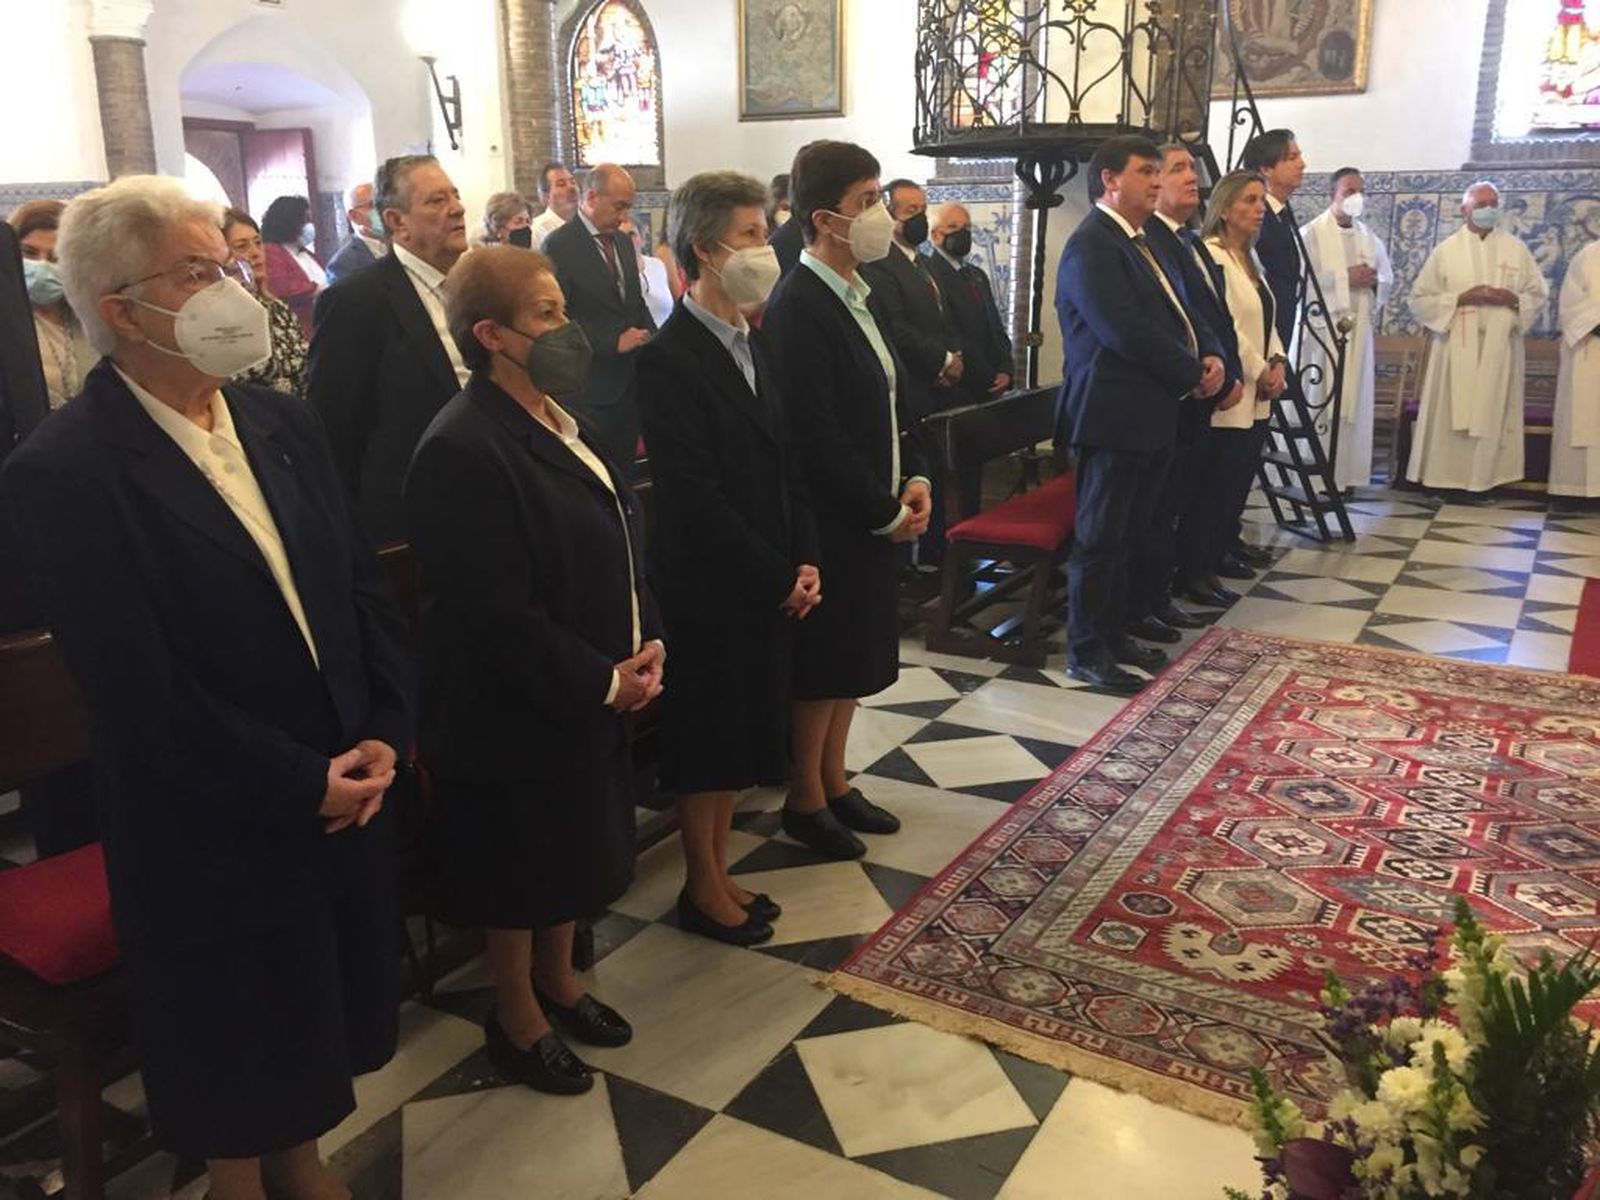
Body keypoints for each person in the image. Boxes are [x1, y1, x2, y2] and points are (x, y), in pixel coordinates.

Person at [0, 175, 412, 1200]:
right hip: (205, 807)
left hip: (335, 772)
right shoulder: (67, 468)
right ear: (120, 309)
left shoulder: (279, 421)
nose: (231, 288)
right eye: (198, 272)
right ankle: (237, 1179)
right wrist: (297, 780)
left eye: (228, 264)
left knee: (312, 1000)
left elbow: (357, 592)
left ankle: (304, 1163)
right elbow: (139, 690)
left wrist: (382, 731)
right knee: (232, 1021)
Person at [405, 244, 658, 1095]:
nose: (567, 329)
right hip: (509, 705)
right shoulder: (463, 446)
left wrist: (643, 639)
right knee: (518, 866)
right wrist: (604, 677)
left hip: (583, 682)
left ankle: (562, 981)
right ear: (491, 335)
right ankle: (515, 1016)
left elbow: (617, 539)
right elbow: (494, 614)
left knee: (572, 852)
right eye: (545, 315)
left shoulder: (556, 416)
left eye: (562, 308)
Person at [637, 171, 819, 945]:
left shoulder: (754, 338)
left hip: (765, 578)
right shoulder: (667, 360)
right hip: (712, 586)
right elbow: (693, 497)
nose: (765, 246)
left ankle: (718, 868)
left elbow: (787, 462)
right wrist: (774, 573)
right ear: (705, 250)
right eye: (751, 233)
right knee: (707, 744)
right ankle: (701, 885)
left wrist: (805, 559)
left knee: (741, 736)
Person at [762, 139, 929, 860]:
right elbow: (816, 436)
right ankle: (805, 796)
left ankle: (834, 780)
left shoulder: (861, 293)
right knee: (824, 663)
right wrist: (882, 510)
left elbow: (889, 401)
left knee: (855, 659)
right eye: (868, 202)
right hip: (834, 518)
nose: (881, 216)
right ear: (827, 218)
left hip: (872, 510)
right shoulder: (799, 305)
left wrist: (914, 479)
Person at [1054, 135, 1223, 696]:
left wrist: (1202, 356)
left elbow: (1172, 315)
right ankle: (1086, 651)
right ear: (1110, 180)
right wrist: (1189, 372)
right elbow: (1122, 329)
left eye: (1159, 171)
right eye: (1146, 171)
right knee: (1100, 539)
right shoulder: (1093, 245)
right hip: (1112, 414)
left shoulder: (1136, 240)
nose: (1157, 181)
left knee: (1129, 534)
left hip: (1148, 411)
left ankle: (1116, 634)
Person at [307, 154, 471, 544]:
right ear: (397, 222)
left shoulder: (479, 285)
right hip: (415, 512)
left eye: (456, 196)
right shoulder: (356, 301)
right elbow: (334, 426)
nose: (458, 208)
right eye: (437, 201)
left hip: (492, 493)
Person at [1141, 144, 1242, 632]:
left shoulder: (1188, 241)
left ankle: (1167, 590)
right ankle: (1154, 595)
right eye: (1177, 169)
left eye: (1192, 169)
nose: (1192, 177)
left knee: (1184, 498)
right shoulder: (1152, 240)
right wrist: (1198, 368)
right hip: (1173, 394)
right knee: (1161, 508)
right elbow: (1160, 322)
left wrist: (1224, 361)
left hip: (1198, 383)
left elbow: (1208, 314)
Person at [1406, 182, 1548, 496]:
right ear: (1465, 210)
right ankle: (1447, 479)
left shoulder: (1516, 249)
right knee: (1453, 408)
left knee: (1491, 408)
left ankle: (1486, 480)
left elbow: (1537, 294)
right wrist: (1459, 298)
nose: (1488, 210)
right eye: (1482, 204)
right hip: (1457, 345)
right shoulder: (1446, 251)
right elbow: (1420, 299)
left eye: (1494, 203)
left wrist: (1512, 299)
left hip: (1499, 348)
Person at [1201, 171, 1289, 604]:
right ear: (1226, 207)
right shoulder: (1213, 256)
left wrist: (1278, 362)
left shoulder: (1249, 259)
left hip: (1258, 387)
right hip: (1234, 388)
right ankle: (1204, 558)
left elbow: (1267, 317)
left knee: (1239, 477)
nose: (1259, 209)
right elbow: (1227, 327)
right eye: (1250, 200)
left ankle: (1224, 545)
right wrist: (1258, 368)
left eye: (1261, 200)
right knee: (1216, 482)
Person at [543, 163, 656, 473]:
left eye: (628, 207)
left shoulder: (620, 241)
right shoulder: (559, 245)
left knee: (627, 472)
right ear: (591, 197)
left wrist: (656, 340)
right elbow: (554, 319)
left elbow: (634, 302)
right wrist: (610, 342)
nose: (624, 216)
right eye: (619, 206)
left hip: (629, 384)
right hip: (591, 388)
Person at [1299, 167, 1393, 492]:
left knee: (1353, 403)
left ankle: (1346, 477)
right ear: (1331, 196)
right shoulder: (1311, 234)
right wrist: (1344, 278)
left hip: (1358, 336)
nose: (1355, 198)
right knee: (1323, 400)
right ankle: (1316, 475)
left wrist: (1374, 281)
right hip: (1322, 337)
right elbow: (1302, 282)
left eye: (1359, 192)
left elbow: (1387, 280)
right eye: (1347, 192)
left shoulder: (1369, 238)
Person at [926, 202, 1013, 524]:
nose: (962, 235)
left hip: (986, 384)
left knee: (976, 471)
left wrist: (1006, 366)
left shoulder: (975, 273)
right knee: (955, 477)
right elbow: (953, 334)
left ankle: (974, 525)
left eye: (967, 228)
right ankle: (953, 541)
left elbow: (994, 325)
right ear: (935, 235)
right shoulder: (933, 275)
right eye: (953, 229)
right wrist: (982, 374)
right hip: (961, 387)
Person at [8, 200, 95, 411]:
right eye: (29, 253)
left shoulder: (91, 319)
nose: (42, 265)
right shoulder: (7, 321)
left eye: (55, 257)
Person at [222, 208, 309, 397]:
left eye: (258, 243)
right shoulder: (220, 319)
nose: (255, 253)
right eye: (242, 246)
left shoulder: (278, 309)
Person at [1240, 129, 1304, 349]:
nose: (1302, 164)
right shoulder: (1256, 218)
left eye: (1300, 156)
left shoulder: (1280, 214)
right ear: (1266, 169)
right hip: (1261, 338)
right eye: (1292, 158)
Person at [1551, 238, 1600, 497]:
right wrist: (1594, 322)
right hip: (1589, 346)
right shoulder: (1589, 255)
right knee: (1582, 416)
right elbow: (1570, 301)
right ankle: (1574, 490)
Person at [260, 195, 325, 339]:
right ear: (290, 221)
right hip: (297, 332)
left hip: (320, 329)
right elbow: (281, 287)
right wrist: (317, 289)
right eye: (306, 220)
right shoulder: (271, 251)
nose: (311, 225)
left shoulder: (307, 253)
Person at [325, 181, 387, 285]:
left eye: (385, 202)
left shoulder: (407, 244)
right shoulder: (342, 265)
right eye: (374, 205)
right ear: (354, 216)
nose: (383, 209)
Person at [623, 215, 675, 328]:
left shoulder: (658, 265)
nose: (627, 241)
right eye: (620, 236)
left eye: (632, 234)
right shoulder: (612, 272)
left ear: (642, 239)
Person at [529, 162, 581, 248]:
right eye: (561, 184)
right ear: (546, 196)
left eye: (573, 182)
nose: (572, 188)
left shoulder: (586, 226)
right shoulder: (536, 232)